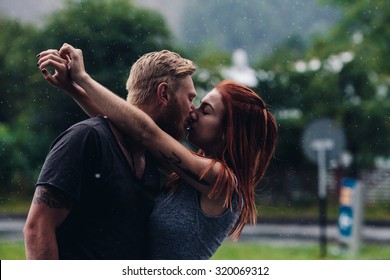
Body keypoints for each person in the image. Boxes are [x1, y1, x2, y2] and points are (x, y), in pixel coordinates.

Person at [37, 43, 278, 259]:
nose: (193, 112)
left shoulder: (221, 181)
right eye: (195, 103)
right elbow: (128, 127)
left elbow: (145, 131)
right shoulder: (189, 172)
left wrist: (83, 79)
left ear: (228, 132)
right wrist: (73, 89)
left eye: (205, 111)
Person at [23, 48, 197, 259]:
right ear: (164, 94)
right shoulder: (87, 139)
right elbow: (37, 228)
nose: (193, 109)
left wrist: (74, 87)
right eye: (190, 98)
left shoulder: (151, 160)